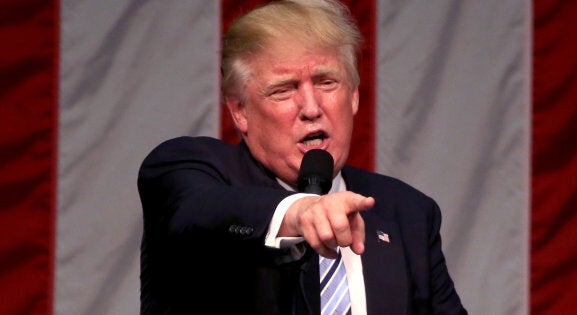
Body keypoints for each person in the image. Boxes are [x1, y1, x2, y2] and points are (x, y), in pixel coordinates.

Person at [137, 0, 467, 314]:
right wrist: (301, 211)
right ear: (240, 111)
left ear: (353, 95)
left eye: (327, 82)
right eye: (284, 89)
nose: (311, 109)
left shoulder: (407, 212)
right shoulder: (187, 168)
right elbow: (200, 211)